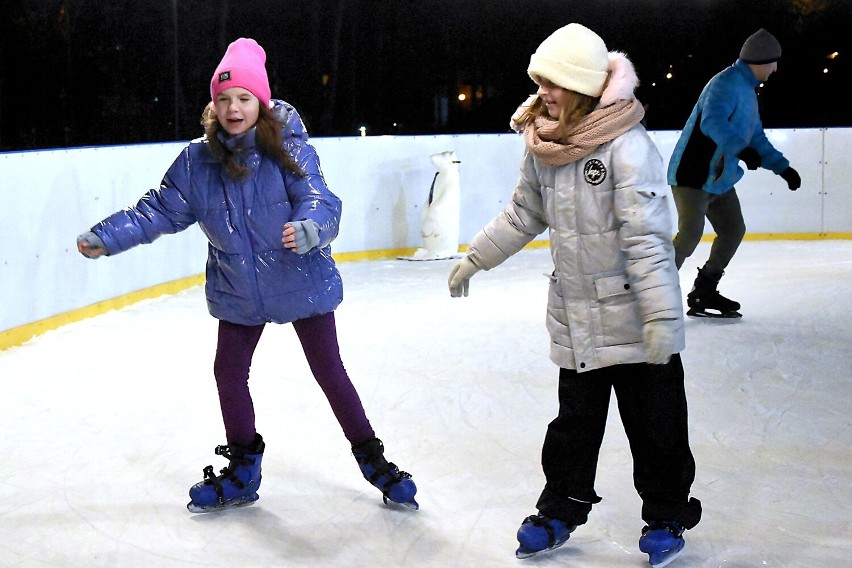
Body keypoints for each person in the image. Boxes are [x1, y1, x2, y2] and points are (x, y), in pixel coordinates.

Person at [76, 38, 418, 512]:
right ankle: (243, 468)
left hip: (299, 277)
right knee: (229, 371)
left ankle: (373, 459)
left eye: (243, 98)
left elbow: (321, 199)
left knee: (328, 370)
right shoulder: (198, 162)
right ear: (212, 105)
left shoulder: (288, 150)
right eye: (223, 99)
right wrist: (108, 236)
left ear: (261, 100)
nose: (233, 108)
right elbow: (159, 210)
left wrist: (311, 226)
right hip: (238, 287)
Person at [447, 23, 701, 567]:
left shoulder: (628, 148)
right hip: (577, 318)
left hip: (636, 320)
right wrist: (476, 257)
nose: (544, 93)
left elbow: (649, 241)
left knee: (656, 428)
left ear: (584, 87)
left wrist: (662, 321)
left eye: (555, 83)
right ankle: (560, 508)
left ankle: (665, 514)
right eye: (540, 81)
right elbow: (523, 213)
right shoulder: (545, 144)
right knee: (572, 428)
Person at [667, 28, 801, 318]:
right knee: (689, 236)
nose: (776, 68)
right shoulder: (726, 83)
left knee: (733, 230)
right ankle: (652, 294)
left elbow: (756, 138)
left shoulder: (749, 92)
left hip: (720, 179)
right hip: (693, 174)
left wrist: (783, 168)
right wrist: (742, 150)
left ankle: (704, 291)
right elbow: (712, 123)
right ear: (760, 60)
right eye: (773, 62)